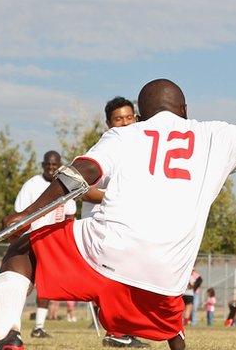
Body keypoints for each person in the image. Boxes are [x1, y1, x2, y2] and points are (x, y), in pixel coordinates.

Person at [0, 78, 236, 350]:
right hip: (165, 279)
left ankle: (5, 339)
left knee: (25, 248)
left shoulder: (124, 134)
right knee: (165, 305)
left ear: (141, 116)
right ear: (185, 110)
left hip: (105, 255)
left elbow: (82, 171)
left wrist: (28, 214)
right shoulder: (215, 134)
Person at [80, 96, 149, 348]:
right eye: (118, 119)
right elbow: (84, 189)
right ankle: (116, 333)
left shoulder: (140, 150)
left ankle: (122, 331)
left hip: (123, 226)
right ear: (108, 124)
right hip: (101, 226)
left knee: (129, 278)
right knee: (114, 280)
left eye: (129, 118)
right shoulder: (105, 148)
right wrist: (120, 197)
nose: (125, 123)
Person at [14, 150, 77, 338]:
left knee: (46, 285)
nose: (51, 168)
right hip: (31, 239)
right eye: (48, 165)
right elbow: (19, 211)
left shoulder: (65, 186)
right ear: (43, 165)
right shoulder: (32, 185)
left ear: (59, 166)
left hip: (53, 242)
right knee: (24, 284)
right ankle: (12, 325)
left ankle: (38, 327)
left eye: (55, 165)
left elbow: (70, 213)